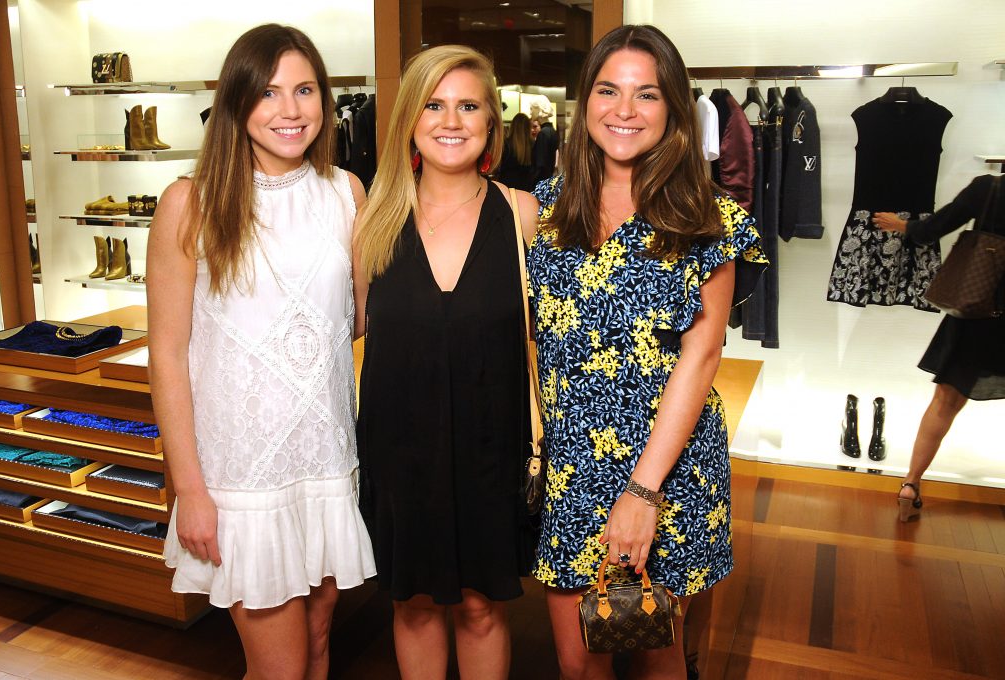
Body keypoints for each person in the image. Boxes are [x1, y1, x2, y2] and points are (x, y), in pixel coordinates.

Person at [526, 25, 767, 679]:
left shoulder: (705, 219)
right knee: (579, 664)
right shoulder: (543, 211)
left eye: (647, 95)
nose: (624, 110)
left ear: (675, 112)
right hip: (573, 468)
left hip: (668, 467)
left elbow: (704, 355)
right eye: (608, 90)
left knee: (657, 658)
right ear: (586, 102)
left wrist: (643, 492)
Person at [148, 24, 375, 680]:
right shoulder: (189, 203)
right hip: (241, 481)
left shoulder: (345, 193)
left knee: (318, 645)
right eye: (270, 92)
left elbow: (354, 322)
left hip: (326, 464)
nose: (291, 109)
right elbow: (167, 355)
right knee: (278, 668)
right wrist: (189, 489)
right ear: (237, 103)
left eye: (305, 90)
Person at [352, 45, 539, 680]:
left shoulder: (521, 214)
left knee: (483, 609)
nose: (450, 121)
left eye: (468, 106)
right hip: (401, 452)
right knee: (413, 605)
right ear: (409, 118)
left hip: (489, 449)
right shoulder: (372, 220)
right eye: (433, 105)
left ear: (491, 122)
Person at [874, 174, 1005, 521]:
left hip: (979, 314)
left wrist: (903, 226)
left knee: (945, 402)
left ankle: (910, 485)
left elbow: (935, 227)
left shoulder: (990, 188)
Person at [499, 112, 537, 192]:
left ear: (513, 126)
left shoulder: (505, 145)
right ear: (527, 128)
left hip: (506, 188)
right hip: (526, 189)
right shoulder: (533, 145)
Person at [530, 95, 559, 184]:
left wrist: (532, 181)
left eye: (532, 109)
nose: (530, 112)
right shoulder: (552, 131)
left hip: (541, 182)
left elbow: (541, 164)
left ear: (539, 109)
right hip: (548, 180)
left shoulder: (543, 133)